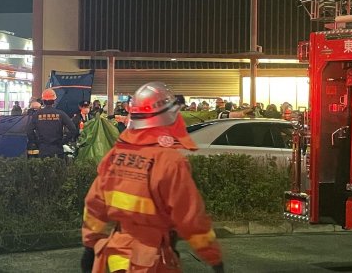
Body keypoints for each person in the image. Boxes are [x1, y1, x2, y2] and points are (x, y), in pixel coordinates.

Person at [81, 82, 224, 273]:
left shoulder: (116, 155)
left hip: (117, 256)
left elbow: (95, 204)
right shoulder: (170, 161)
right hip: (153, 259)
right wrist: (213, 257)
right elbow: (190, 217)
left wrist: (89, 246)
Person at [27, 88, 78, 159]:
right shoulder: (61, 114)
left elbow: (29, 131)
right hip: (57, 148)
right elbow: (73, 129)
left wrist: (37, 142)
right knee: (57, 168)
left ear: (43, 101)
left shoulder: (36, 115)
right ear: (54, 101)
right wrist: (63, 141)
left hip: (43, 148)